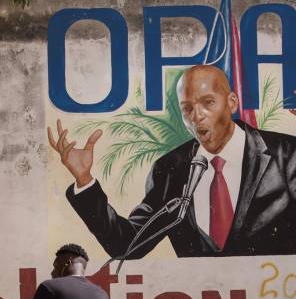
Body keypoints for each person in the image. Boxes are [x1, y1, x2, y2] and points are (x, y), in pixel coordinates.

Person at [48, 64, 296, 258]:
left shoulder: (287, 154)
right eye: (187, 108)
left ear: (231, 102)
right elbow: (128, 245)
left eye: (208, 102)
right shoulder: (170, 169)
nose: (197, 116)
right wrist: (84, 180)